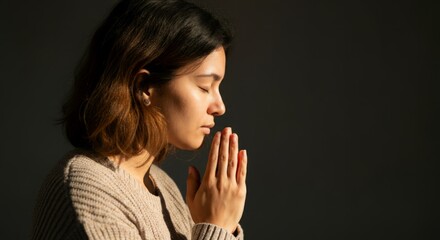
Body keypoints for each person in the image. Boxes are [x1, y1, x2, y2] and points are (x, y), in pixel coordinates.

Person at [31, 0, 248, 239]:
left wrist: (212, 225)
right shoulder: (89, 192)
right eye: (205, 86)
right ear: (144, 85)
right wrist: (215, 227)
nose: (220, 107)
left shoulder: (164, 187)